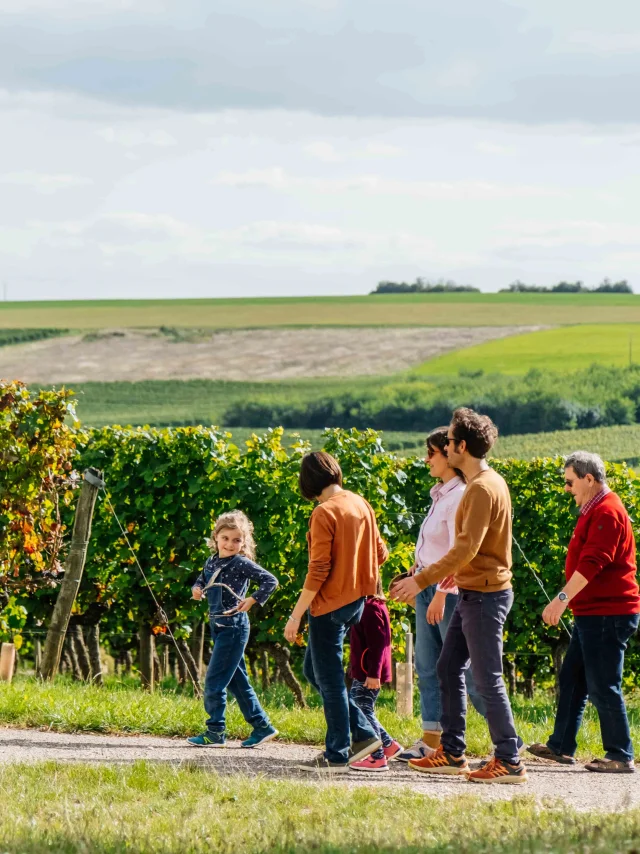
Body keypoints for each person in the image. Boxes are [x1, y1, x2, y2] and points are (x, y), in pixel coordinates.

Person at [392, 408, 527, 784]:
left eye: (448, 441)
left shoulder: (482, 488)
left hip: (486, 596)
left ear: (462, 446)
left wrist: (423, 581)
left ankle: (510, 760)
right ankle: (452, 752)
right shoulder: (483, 483)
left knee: (488, 680)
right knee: (448, 668)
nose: (445, 447)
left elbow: (466, 548)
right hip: (473, 593)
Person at [528, 451, 640, 774]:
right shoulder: (595, 509)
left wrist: (561, 598)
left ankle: (621, 753)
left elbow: (592, 564)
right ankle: (561, 746)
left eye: (570, 481)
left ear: (589, 479)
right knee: (573, 677)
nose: (567, 488)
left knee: (604, 682)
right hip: (593, 613)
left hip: (608, 614)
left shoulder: (607, 511)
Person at [284, 451, 389, 772]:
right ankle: (364, 734)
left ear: (308, 482)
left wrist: (296, 614)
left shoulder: (323, 512)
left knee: (328, 680)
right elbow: (381, 553)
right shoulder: (360, 504)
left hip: (328, 605)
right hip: (356, 602)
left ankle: (337, 754)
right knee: (314, 671)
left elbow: (318, 570)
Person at [397, 427, 486, 763]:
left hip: (445, 591)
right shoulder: (441, 494)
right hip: (427, 586)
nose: (427, 459)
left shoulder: (461, 495)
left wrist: (438, 594)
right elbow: (433, 549)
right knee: (428, 666)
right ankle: (430, 740)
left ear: (448, 456)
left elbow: (457, 553)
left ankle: (505, 740)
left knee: (462, 669)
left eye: (432, 452)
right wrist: (414, 579)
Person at [187, 510, 279, 748]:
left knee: (214, 682)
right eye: (225, 538)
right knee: (238, 682)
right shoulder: (212, 561)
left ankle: (215, 731)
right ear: (216, 537)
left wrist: (253, 600)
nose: (230, 544)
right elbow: (201, 579)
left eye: (237, 540)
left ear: (243, 542)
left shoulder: (241, 563)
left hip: (234, 627)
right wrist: (196, 589)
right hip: (218, 626)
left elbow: (271, 580)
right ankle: (262, 726)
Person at [348, 581, 403, 772]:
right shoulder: (369, 606)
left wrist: (373, 674)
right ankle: (388, 745)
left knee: (361, 709)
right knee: (362, 707)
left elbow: (379, 645)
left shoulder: (370, 608)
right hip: (364, 671)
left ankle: (378, 756)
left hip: (368, 673)